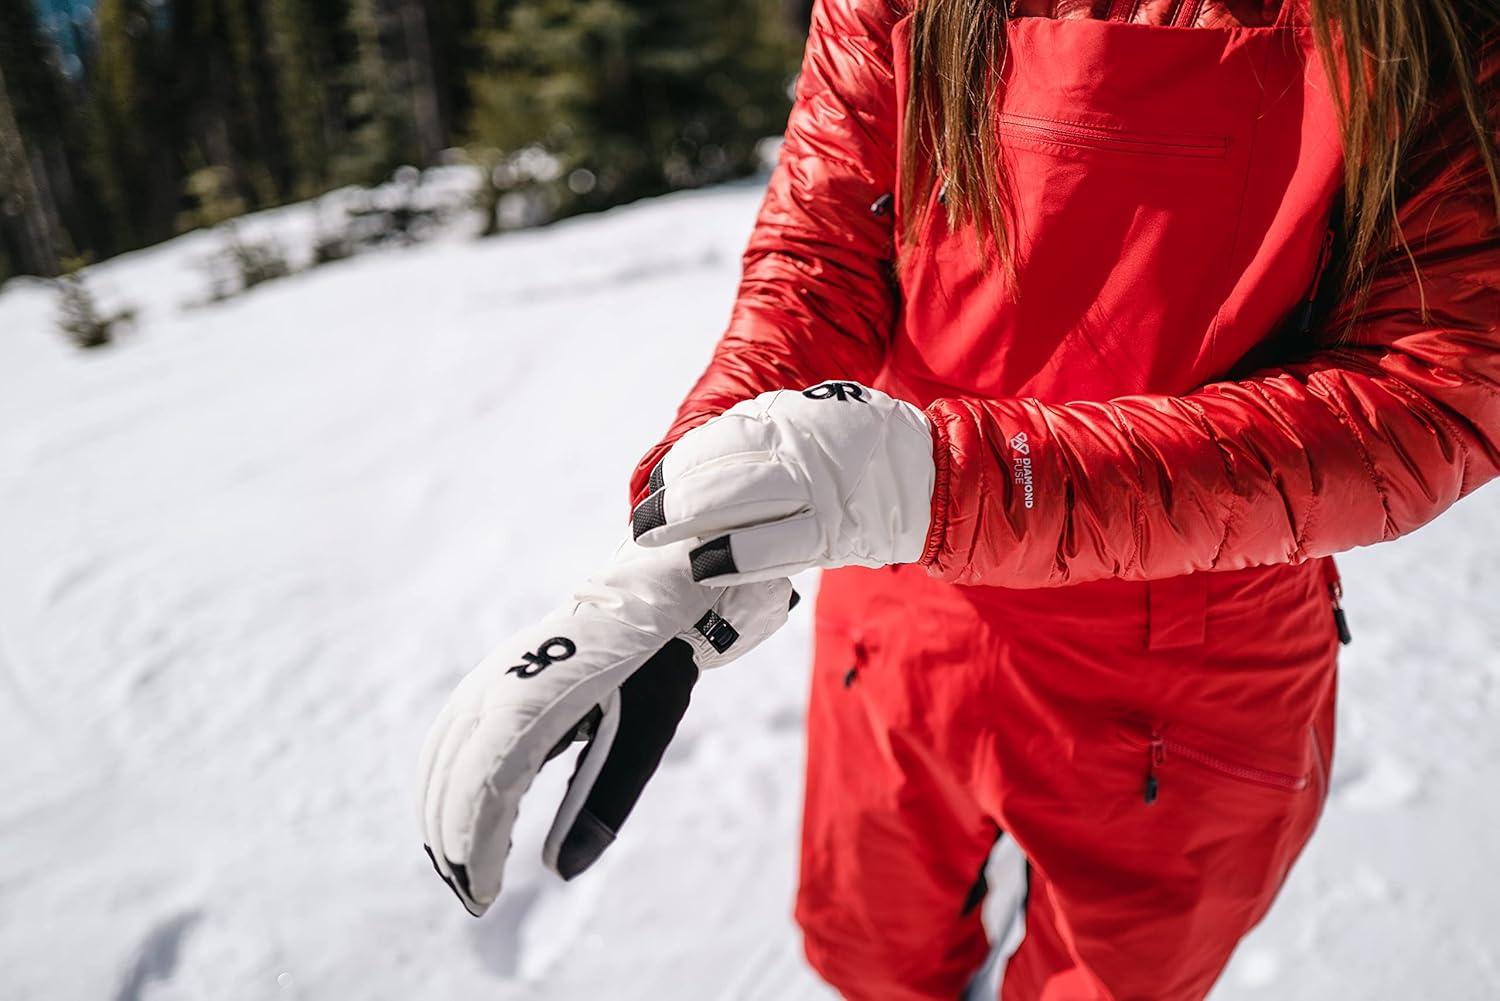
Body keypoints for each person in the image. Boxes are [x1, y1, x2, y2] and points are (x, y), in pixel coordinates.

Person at [624, 1, 1500, 998]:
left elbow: (1434, 385)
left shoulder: (1422, 23)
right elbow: (823, 254)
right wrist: (691, 501)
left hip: (1189, 662)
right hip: (903, 601)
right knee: (870, 952)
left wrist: (952, 482)